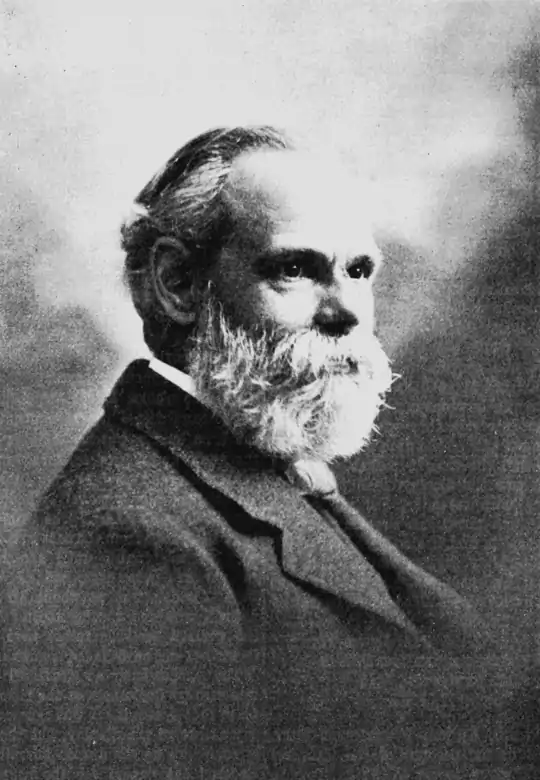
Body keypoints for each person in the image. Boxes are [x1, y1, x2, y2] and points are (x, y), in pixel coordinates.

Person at [1, 126, 499, 779]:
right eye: (294, 269)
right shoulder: (127, 535)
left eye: (358, 271)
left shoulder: (269, 463)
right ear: (179, 283)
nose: (346, 310)